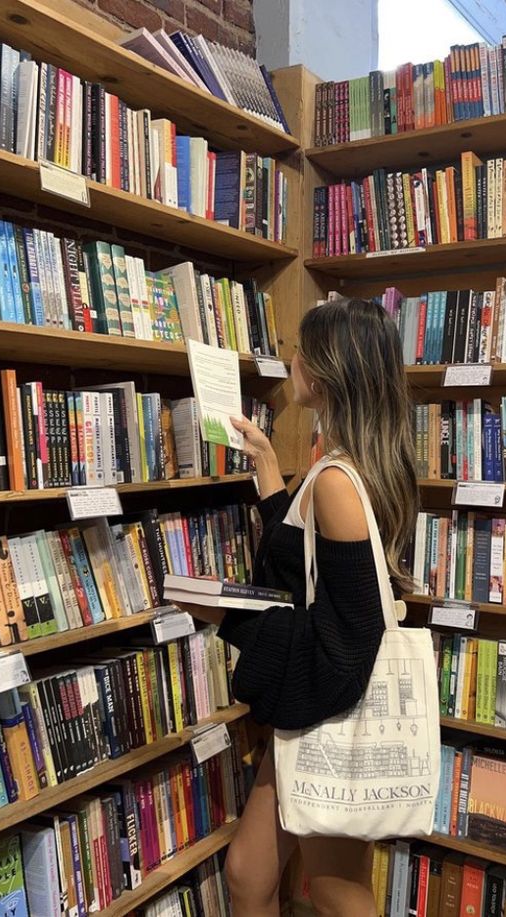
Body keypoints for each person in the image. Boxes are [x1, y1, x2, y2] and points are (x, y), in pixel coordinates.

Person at [178, 298, 418, 917]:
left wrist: (228, 617)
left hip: (330, 715)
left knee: (338, 894)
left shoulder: (337, 481)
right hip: (312, 716)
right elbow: (298, 566)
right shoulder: (342, 468)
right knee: (247, 874)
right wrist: (264, 466)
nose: (291, 359)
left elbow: (347, 638)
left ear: (328, 368)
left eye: (302, 349)